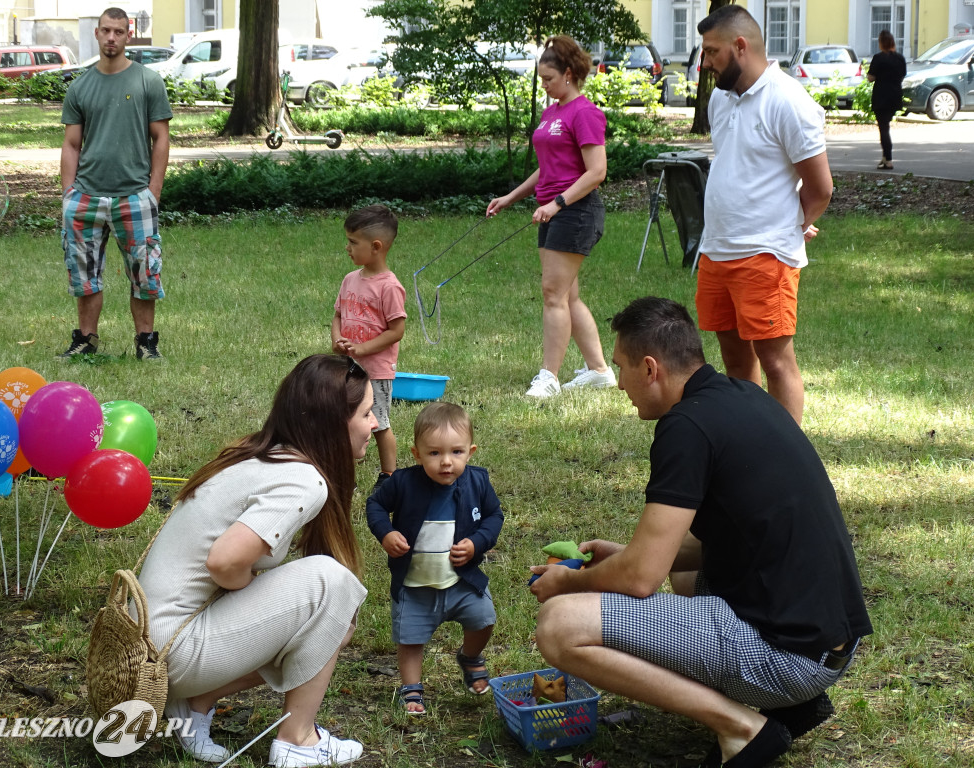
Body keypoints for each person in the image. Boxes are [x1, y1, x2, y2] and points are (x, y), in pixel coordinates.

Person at [530, 296, 873, 768]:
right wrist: (623, 555)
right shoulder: (743, 395)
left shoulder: (685, 428)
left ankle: (743, 730)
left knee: (559, 626)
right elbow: (716, 543)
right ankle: (792, 707)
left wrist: (567, 583)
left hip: (788, 659)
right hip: (830, 643)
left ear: (650, 368)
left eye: (622, 368)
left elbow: (639, 579)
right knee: (685, 577)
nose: (621, 383)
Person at [138, 354, 373, 767]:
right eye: (368, 413)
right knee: (331, 583)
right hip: (172, 654)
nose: (376, 425)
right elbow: (225, 562)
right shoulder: (304, 480)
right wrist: (252, 596)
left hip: (148, 644)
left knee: (328, 617)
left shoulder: (262, 455)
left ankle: (195, 704)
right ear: (337, 422)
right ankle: (298, 740)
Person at [694, 5, 833, 425]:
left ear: (740, 47)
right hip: (716, 250)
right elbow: (739, 165)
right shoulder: (720, 99)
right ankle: (751, 446)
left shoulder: (790, 101)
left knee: (774, 360)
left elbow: (820, 187)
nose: (705, 64)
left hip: (765, 254)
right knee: (735, 361)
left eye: (712, 52)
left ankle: (788, 460)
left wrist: (793, 225)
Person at [485, 35, 615, 399]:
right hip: (553, 210)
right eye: (541, 80)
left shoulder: (584, 113)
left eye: (548, 79)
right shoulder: (551, 113)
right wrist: (511, 197)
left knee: (553, 294)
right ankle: (599, 371)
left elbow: (596, 172)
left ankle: (549, 377)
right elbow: (547, 169)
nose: (544, 87)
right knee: (567, 296)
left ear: (569, 74)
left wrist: (557, 203)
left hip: (576, 212)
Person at [366, 402, 504, 715]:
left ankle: (470, 657)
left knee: (484, 619)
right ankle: (411, 689)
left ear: (471, 451)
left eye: (456, 452)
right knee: (410, 639)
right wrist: (386, 533)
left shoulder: (478, 482)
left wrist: (477, 543)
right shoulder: (402, 483)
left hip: (462, 580)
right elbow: (374, 505)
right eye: (434, 453)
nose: (446, 462)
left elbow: (494, 516)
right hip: (415, 584)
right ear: (416, 454)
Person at [59, 7, 172, 361]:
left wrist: (153, 191)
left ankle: (146, 343)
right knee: (84, 274)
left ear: (129, 34)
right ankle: (86, 341)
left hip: (134, 196)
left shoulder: (147, 81)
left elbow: (161, 138)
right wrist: (67, 193)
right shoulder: (81, 86)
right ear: (97, 33)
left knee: (144, 273)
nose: (111, 38)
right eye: (106, 31)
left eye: (118, 32)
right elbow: (71, 144)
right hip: (86, 198)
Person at [332, 205, 406, 491]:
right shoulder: (350, 280)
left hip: (375, 371)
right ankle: (344, 469)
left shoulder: (389, 287)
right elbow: (338, 314)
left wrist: (363, 349)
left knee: (379, 423)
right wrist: (337, 338)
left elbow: (396, 330)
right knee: (344, 419)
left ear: (376, 247)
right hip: (348, 368)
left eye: (353, 242)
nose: (347, 248)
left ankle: (389, 476)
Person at [867, 30, 907, 171]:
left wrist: (878, 75)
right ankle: (884, 158)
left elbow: (870, 77)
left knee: (884, 129)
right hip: (895, 95)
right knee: (886, 126)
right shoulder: (900, 58)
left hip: (881, 96)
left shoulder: (879, 58)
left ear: (881, 43)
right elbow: (902, 76)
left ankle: (888, 159)